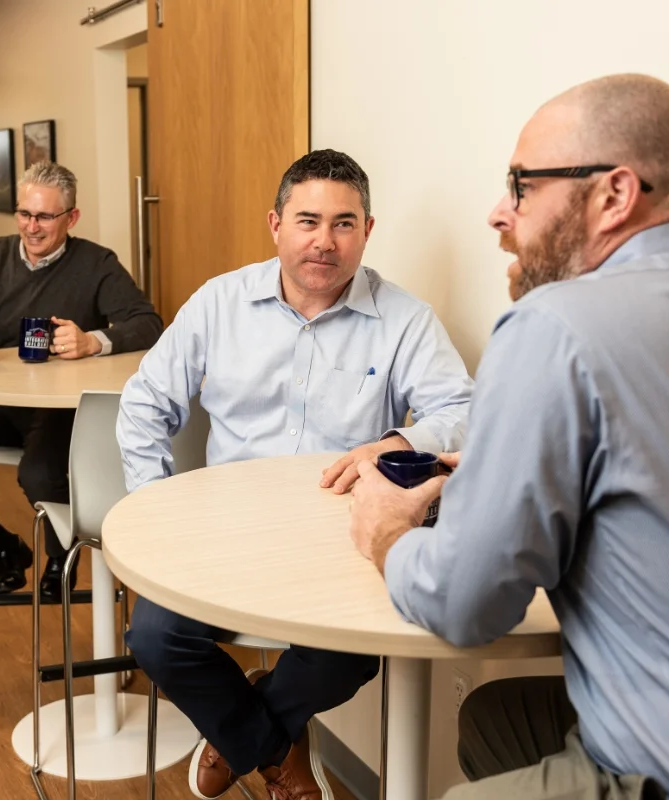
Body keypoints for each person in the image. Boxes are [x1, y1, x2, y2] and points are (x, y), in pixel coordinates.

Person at [348, 73, 669, 800]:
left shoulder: (556, 325)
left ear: (615, 194)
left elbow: (465, 605)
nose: (498, 213)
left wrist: (387, 535)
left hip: (666, 770)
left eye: (522, 186)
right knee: (496, 719)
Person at [118, 149, 473, 800]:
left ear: (368, 231)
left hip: (340, 534)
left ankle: (243, 730)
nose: (324, 241)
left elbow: (462, 411)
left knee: (354, 653)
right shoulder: (219, 303)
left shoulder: (405, 318)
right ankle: (275, 749)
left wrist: (395, 441)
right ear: (276, 224)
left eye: (344, 224)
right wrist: (154, 506)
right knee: (155, 638)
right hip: (224, 527)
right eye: (308, 220)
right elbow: (144, 403)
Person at [0, 161, 162, 603]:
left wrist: (94, 341)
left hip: (58, 409)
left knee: (39, 474)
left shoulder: (97, 263)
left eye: (44, 216)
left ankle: (61, 556)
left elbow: (148, 324)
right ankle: (3, 545)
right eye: (24, 213)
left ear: (72, 218)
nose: (31, 227)